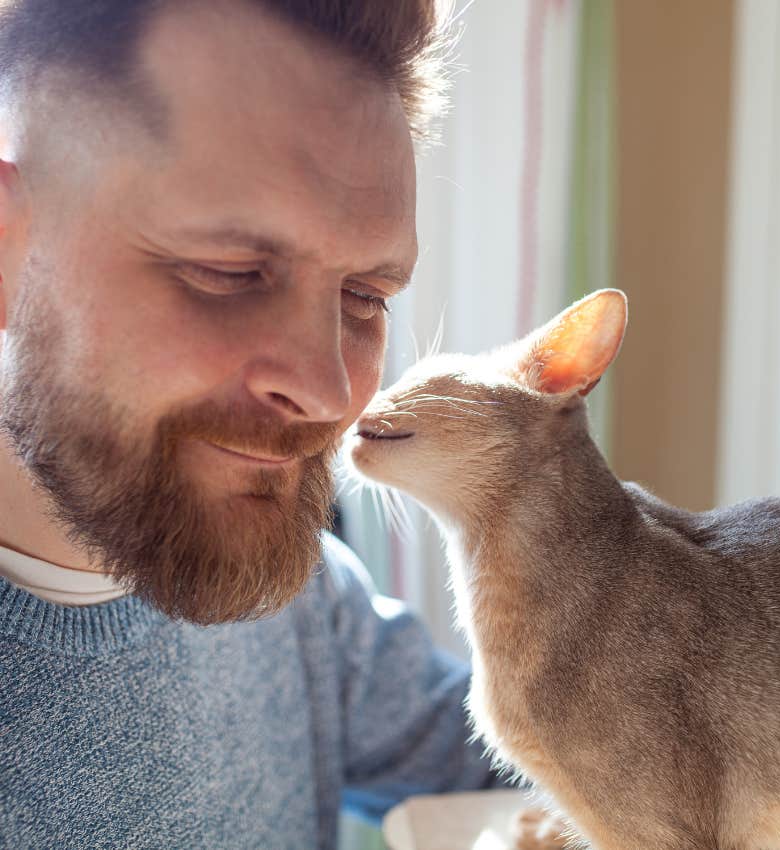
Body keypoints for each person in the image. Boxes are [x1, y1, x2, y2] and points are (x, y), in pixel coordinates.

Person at [0, 1, 502, 847]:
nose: (327, 388)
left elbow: (546, 771)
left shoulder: (312, 604)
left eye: (366, 297)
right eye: (228, 273)